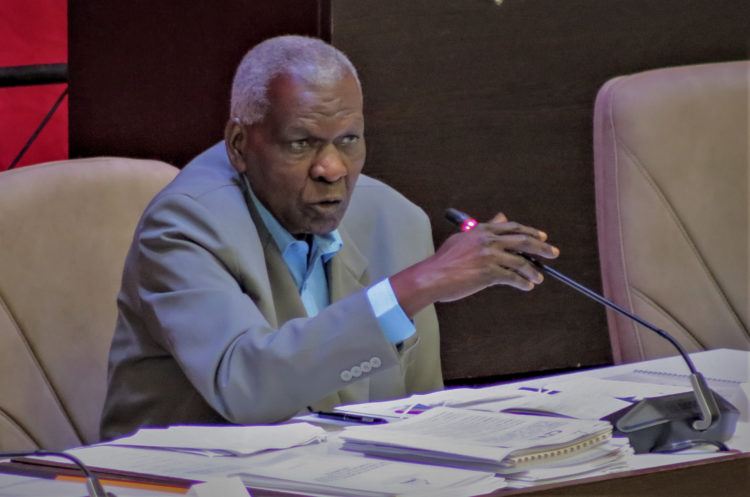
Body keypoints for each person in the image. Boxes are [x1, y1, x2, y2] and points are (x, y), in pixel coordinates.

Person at [100, 35, 559, 440]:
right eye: (301, 143)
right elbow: (247, 388)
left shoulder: (394, 219)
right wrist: (417, 285)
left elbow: (418, 409)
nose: (332, 169)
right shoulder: (185, 226)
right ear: (240, 145)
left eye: (349, 140)